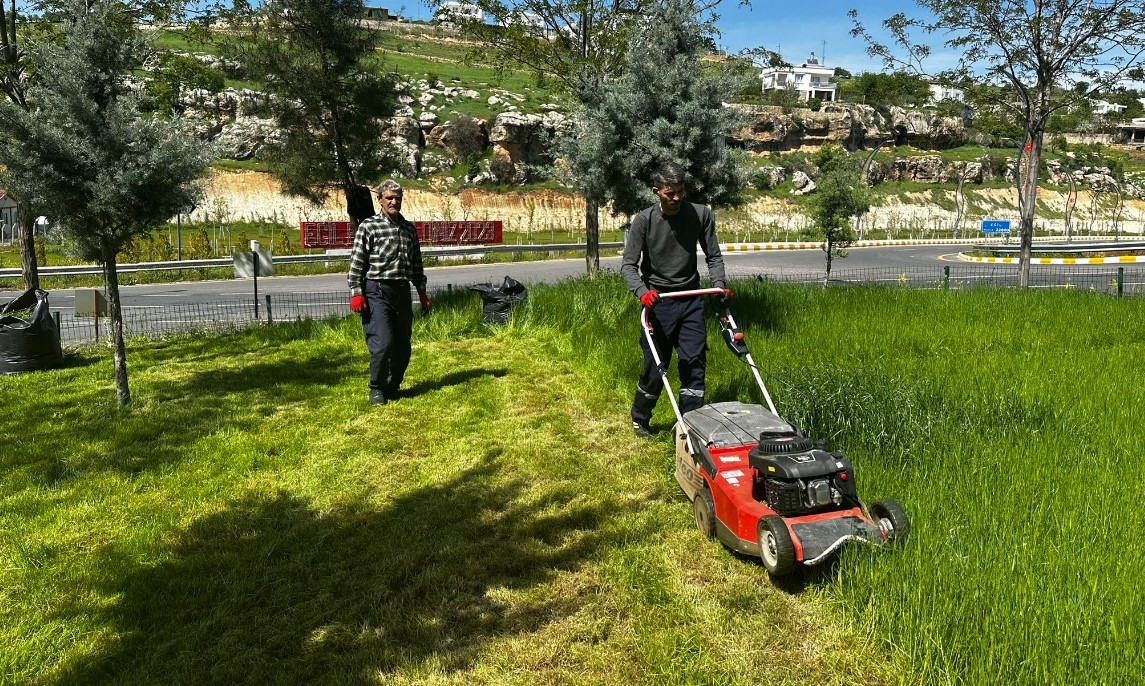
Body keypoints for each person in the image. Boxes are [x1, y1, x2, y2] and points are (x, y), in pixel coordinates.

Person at [620, 162, 730, 438]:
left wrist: (719, 285)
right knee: (655, 368)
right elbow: (628, 266)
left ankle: (689, 426)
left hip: (691, 299)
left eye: (681, 191)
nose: (677, 198)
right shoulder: (644, 221)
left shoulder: (701, 214)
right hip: (658, 303)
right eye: (670, 193)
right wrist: (642, 292)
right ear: (656, 192)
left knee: (694, 364)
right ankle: (640, 418)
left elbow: (714, 256)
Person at [347, 180, 432, 405]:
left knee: (403, 345)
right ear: (380, 200)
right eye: (389, 198)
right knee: (383, 343)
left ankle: (393, 385)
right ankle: (376, 387)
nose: (393, 202)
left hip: (402, 292)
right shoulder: (369, 226)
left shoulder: (408, 229)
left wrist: (422, 293)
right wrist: (356, 291)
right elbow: (357, 262)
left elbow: (416, 263)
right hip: (376, 291)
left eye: (397, 198)